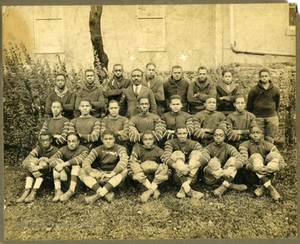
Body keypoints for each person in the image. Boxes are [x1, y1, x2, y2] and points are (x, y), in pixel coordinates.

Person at [78, 130, 128, 204]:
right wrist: (91, 173)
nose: (108, 141)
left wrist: (112, 174)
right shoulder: (97, 149)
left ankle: (96, 196)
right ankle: (105, 192)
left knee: (125, 170)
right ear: (102, 140)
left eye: (110, 139)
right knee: (81, 171)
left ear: (114, 139)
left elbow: (123, 161)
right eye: (106, 139)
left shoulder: (120, 148)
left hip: (113, 176)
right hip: (101, 175)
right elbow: (86, 162)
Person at [239, 126, 286, 201]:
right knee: (256, 156)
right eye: (253, 133)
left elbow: (282, 161)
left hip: (268, 171)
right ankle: (271, 189)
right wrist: (254, 168)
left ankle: (263, 187)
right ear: (249, 135)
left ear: (262, 134)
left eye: (258, 133)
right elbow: (243, 161)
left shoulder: (269, 145)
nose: (255, 135)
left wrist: (277, 168)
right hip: (253, 174)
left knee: (274, 155)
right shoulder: (244, 145)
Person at [162, 125, 206, 199]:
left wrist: (191, 166)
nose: (182, 136)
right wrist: (180, 167)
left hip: (191, 176)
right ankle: (189, 190)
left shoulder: (194, 143)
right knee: (177, 153)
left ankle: (184, 188)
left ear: (187, 134)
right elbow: (165, 158)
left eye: (184, 133)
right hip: (177, 177)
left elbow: (206, 156)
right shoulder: (170, 143)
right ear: (176, 134)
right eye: (180, 134)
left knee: (197, 153)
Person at [201, 127, 247, 197]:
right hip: (212, 177)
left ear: (224, 137)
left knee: (233, 159)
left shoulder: (229, 147)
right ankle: (229, 185)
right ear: (213, 136)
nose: (218, 137)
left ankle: (223, 186)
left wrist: (232, 168)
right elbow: (202, 165)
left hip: (225, 174)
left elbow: (240, 158)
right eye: (216, 135)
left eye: (221, 135)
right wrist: (213, 172)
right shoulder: (208, 148)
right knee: (213, 161)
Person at [16, 132, 58, 203]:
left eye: (47, 140)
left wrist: (39, 167)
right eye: (43, 140)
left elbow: (53, 166)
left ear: (51, 140)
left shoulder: (55, 150)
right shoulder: (38, 149)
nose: (45, 142)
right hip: (38, 174)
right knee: (32, 162)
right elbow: (25, 161)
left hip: (49, 176)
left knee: (42, 162)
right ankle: (27, 190)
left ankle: (34, 191)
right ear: (40, 141)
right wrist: (33, 169)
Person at [128, 131, 169, 202]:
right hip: (143, 175)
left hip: (155, 174)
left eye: (150, 139)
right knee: (134, 164)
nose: (148, 141)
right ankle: (153, 189)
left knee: (164, 166)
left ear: (154, 140)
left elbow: (167, 164)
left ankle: (148, 192)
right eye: (145, 139)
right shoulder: (138, 149)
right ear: (142, 140)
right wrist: (134, 176)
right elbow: (130, 163)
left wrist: (166, 175)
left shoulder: (158, 150)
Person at [49, 132, 89, 202]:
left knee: (75, 165)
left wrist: (63, 165)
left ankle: (71, 190)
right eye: (69, 141)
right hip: (66, 178)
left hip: (79, 179)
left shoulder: (84, 149)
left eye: (73, 141)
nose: (71, 144)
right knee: (57, 163)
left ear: (78, 142)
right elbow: (51, 159)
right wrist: (61, 170)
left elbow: (78, 160)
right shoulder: (63, 149)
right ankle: (58, 190)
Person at [246, 68, 280, 143]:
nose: (264, 77)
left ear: (269, 77)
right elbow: (249, 105)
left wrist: (274, 113)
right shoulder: (254, 90)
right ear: (259, 78)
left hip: (271, 117)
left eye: (266, 76)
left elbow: (277, 104)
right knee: (258, 137)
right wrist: (254, 115)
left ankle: (269, 152)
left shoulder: (275, 90)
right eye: (262, 76)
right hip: (258, 117)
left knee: (270, 138)